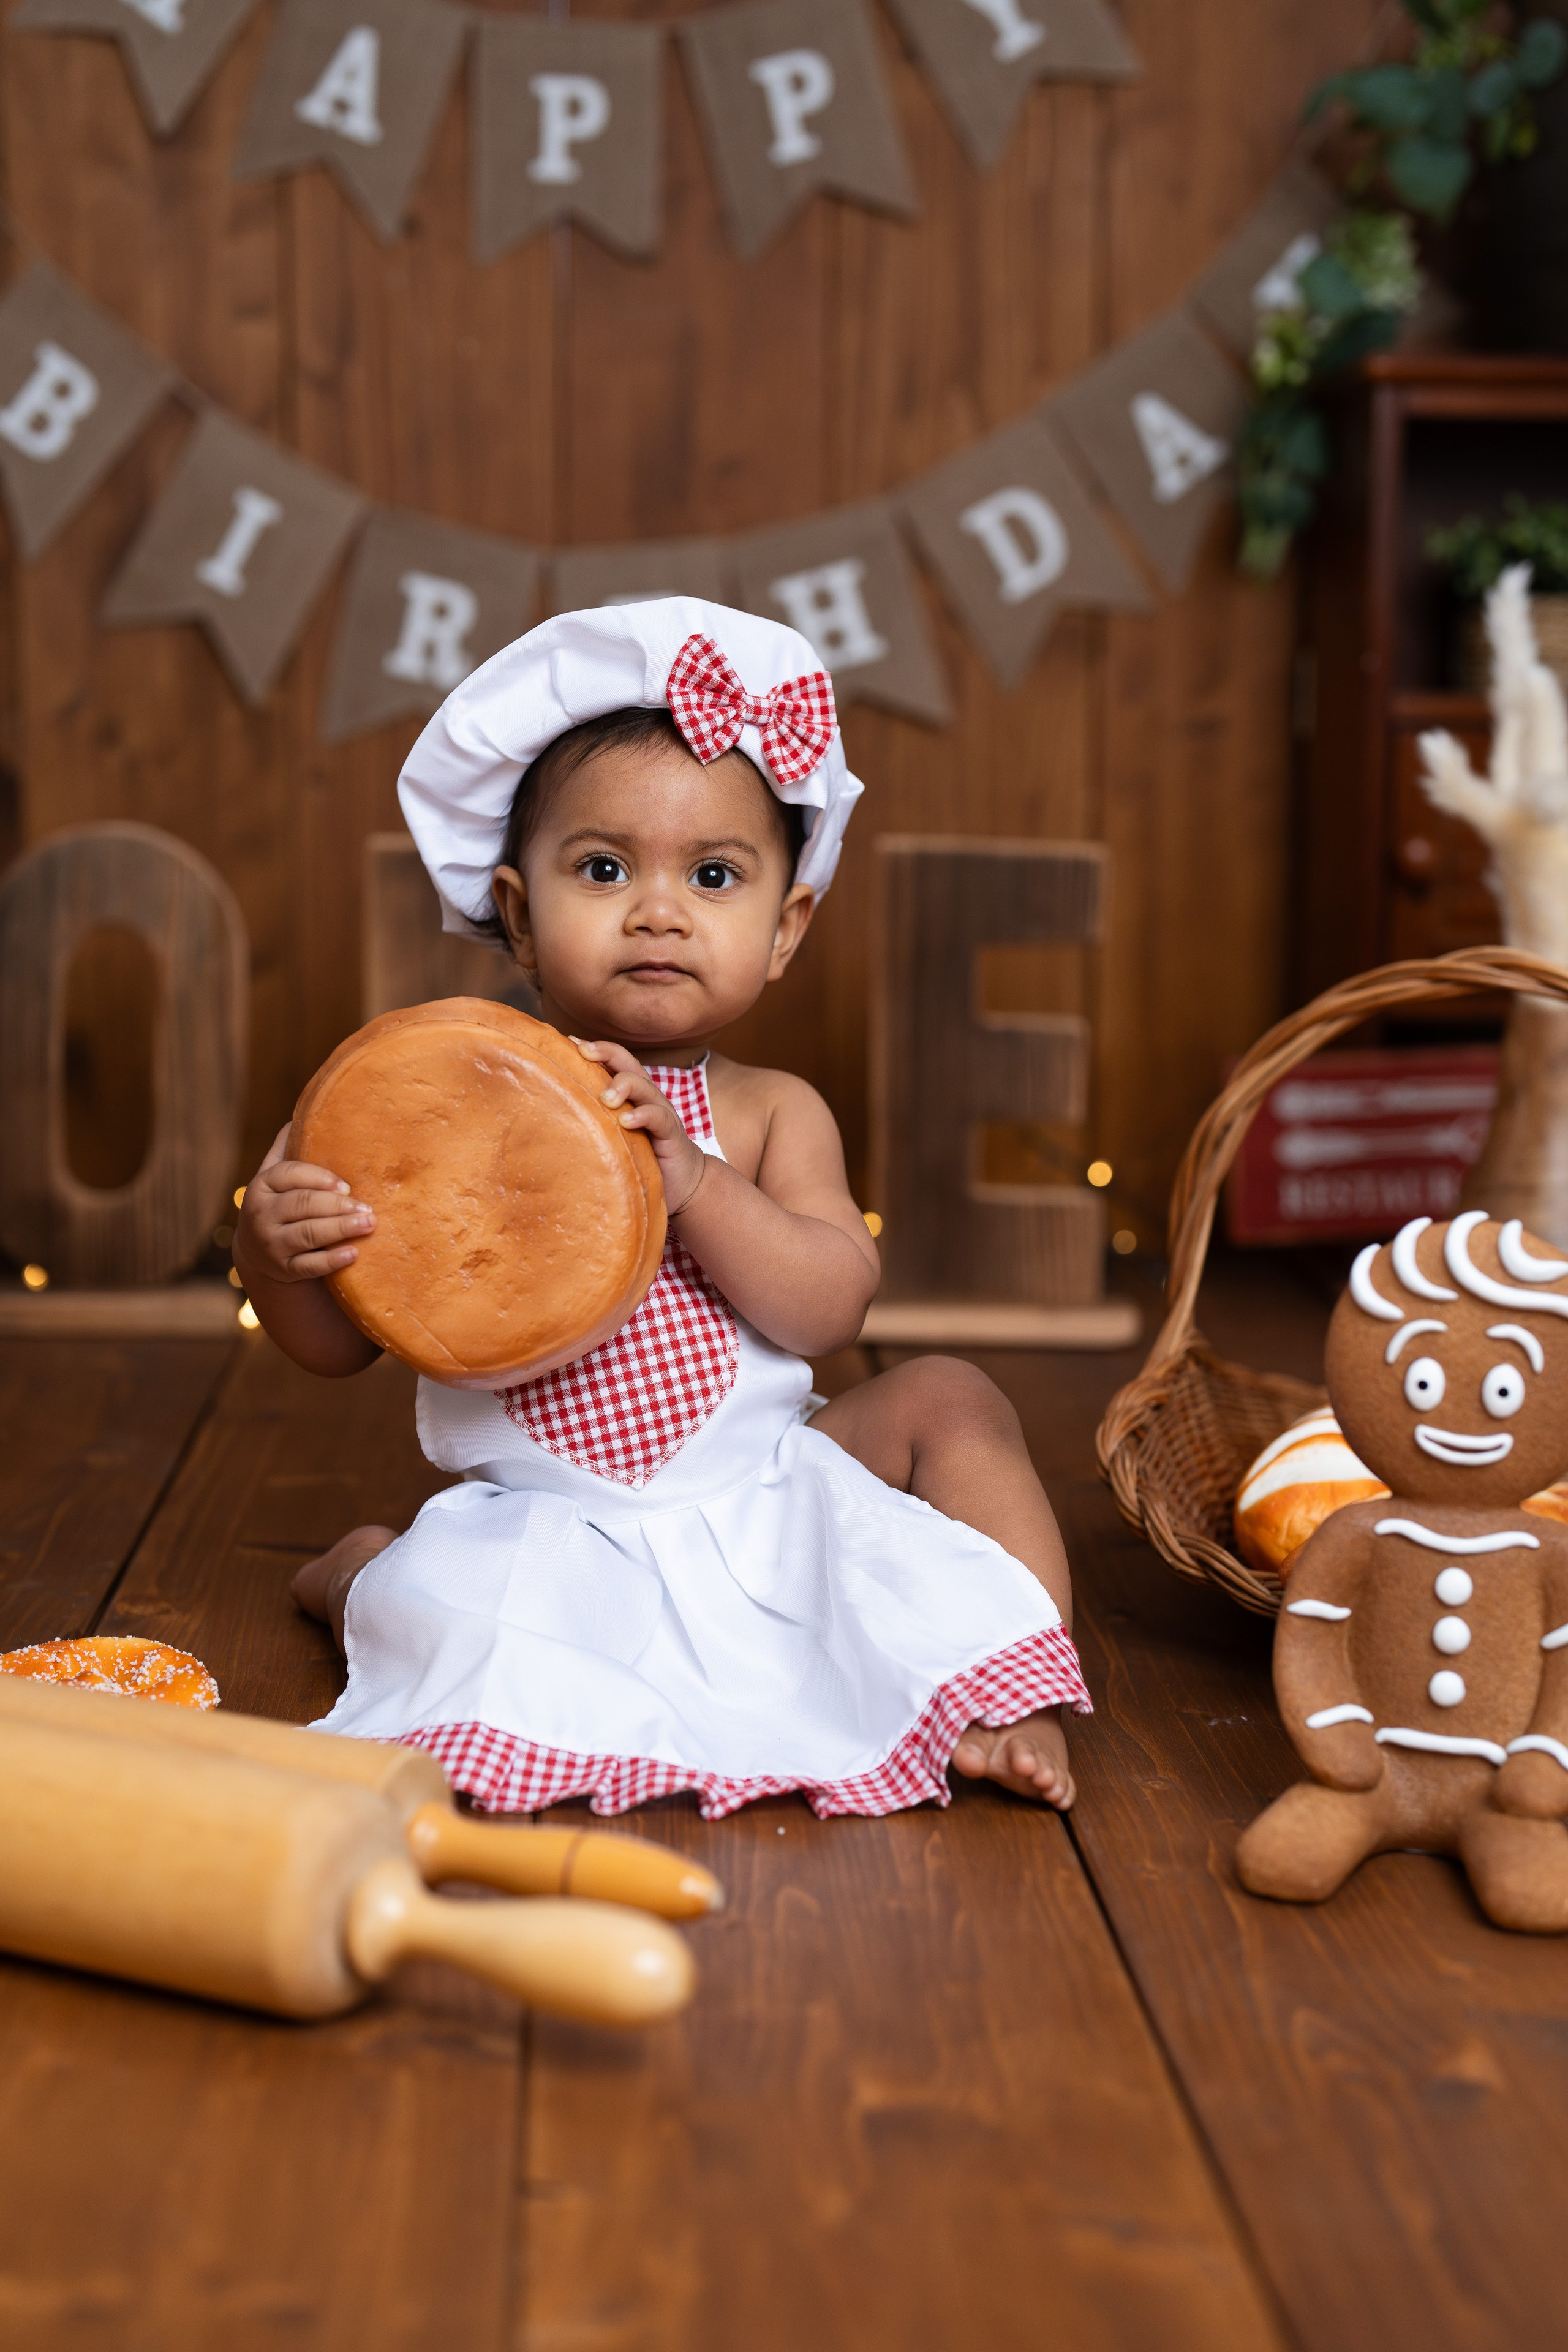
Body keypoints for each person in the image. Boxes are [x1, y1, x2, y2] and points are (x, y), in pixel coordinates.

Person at [233, 599, 1091, 1819]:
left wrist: (692, 1181)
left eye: (713, 875)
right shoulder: (443, 1110)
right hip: (545, 1525)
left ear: (784, 928)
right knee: (450, 1605)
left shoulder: (768, 1112)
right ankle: (357, 1576)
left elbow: (827, 1310)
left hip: (761, 1486)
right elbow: (339, 1347)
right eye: (602, 868)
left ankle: (1003, 1678)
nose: (657, 909)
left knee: (950, 1395)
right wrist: (281, 1257)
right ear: (518, 915)